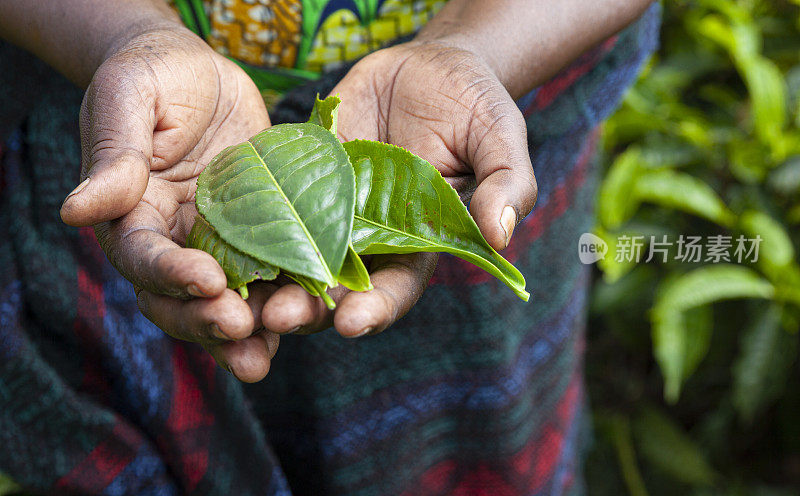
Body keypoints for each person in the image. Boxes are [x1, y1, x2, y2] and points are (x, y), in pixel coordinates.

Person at [0, 0, 659, 494]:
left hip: (485, 100)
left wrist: (475, 49)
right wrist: (126, 33)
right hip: (119, 119)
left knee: (466, 444)